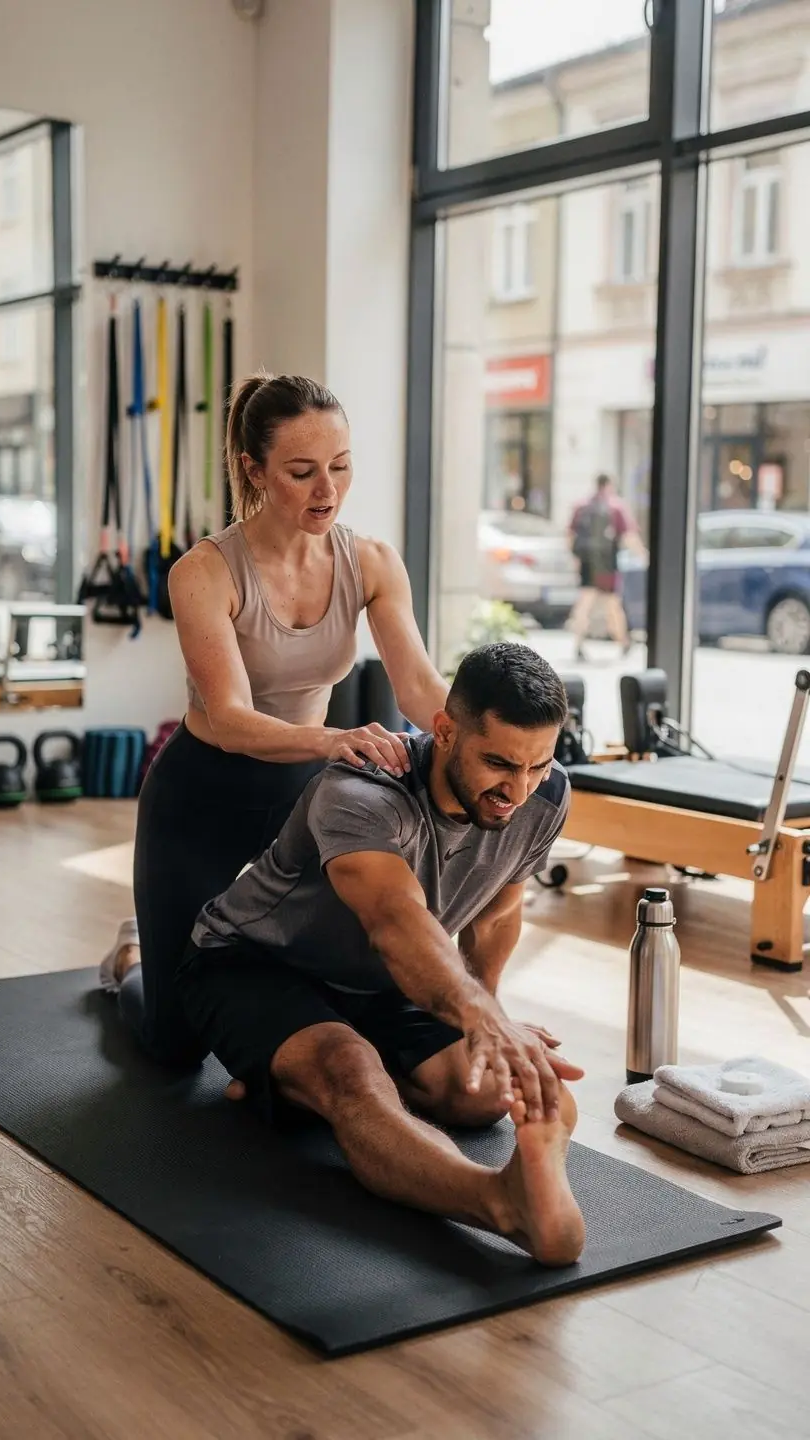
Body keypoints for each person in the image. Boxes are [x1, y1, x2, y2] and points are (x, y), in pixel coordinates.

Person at [174, 643, 587, 1266]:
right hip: (253, 962)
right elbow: (395, 922)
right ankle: (499, 1204)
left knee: (487, 1094)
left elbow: (499, 909)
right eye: (499, 763)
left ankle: (290, 1089)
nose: (518, 790)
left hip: (383, 981)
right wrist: (480, 1017)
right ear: (444, 730)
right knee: (350, 1072)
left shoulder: (545, 797)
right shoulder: (362, 791)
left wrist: (489, 1012)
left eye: (538, 765)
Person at [99, 371, 448, 1071]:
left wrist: (489, 742)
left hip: (305, 802)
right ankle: (134, 955)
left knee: (324, 983)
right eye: (302, 471)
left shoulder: (371, 561)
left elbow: (418, 686)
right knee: (174, 1048)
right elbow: (227, 718)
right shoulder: (204, 571)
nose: (328, 490)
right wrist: (334, 741)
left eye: (341, 467)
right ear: (254, 469)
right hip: (202, 795)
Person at [568, 473, 642, 662]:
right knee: (613, 605)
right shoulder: (616, 506)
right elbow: (629, 536)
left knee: (584, 605)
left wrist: (576, 559)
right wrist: (643, 555)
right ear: (610, 485)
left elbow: (569, 535)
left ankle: (578, 644)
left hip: (588, 563)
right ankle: (623, 642)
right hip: (608, 564)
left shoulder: (581, 506)